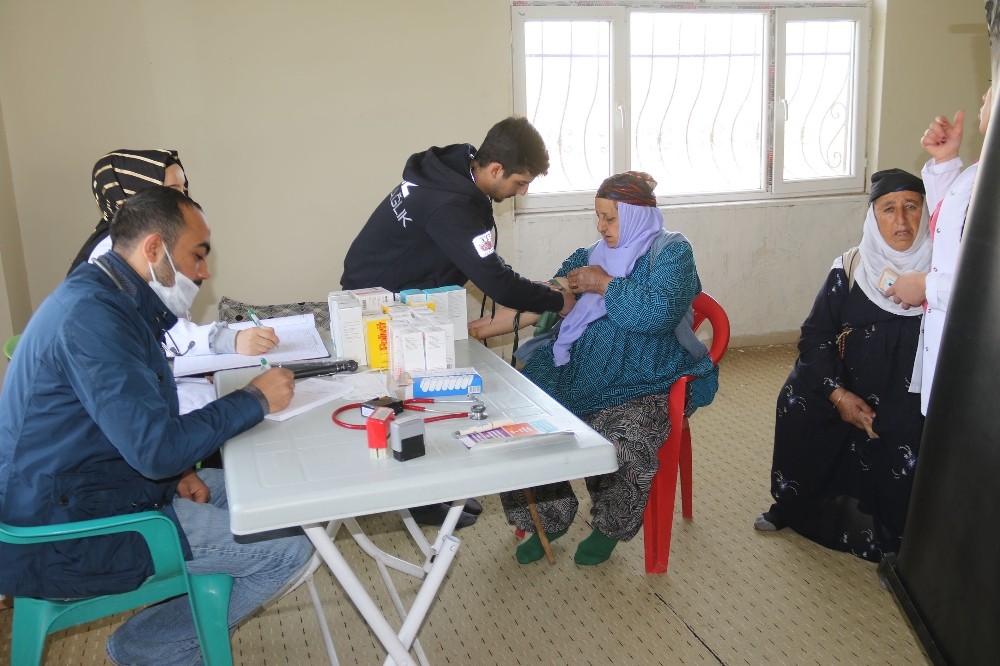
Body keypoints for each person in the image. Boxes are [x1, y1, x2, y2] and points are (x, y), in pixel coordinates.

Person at [0, 187, 313, 665]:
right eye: (198, 255)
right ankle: (145, 649)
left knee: (277, 501)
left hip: (90, 489)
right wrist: (254, 399)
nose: (205, 272)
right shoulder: (94, 318)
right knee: (285, 551)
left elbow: (133, 424)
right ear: (153, 249)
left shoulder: (109, 298)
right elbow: (154, 447)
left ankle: (153, 639)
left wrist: (179, 472)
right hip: (67, 528)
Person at [470, 171, 719, 565]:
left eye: (610, 218)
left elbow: (656, 314)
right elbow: (559, 289)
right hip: (577, 371)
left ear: (636, 215)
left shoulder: (672, 253)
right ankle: (548, 518)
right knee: (518, 421)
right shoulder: (591, 254)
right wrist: (518, 309)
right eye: (598, 217)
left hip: (646, 380)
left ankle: (609, 526)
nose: (601, 227)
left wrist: (605, 285)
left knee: (624, 439)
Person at [342, 117, 576, 528]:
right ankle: (421, 500)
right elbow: (496, 281)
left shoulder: (455, 170)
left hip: (402, 292)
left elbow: (482, 260)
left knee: (422, 395)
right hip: (380, 306)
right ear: (495, 169)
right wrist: (556, 300)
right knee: (408, 402)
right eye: (520, 183)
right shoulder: (451, 205)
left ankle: (431, 492)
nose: (522, 192)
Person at [755, 169, 931, 561]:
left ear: (927, 212)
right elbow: (814, 335)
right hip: (848, 384)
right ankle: (794, 506)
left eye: (911, 207)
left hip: (908, 395)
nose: (901, 220)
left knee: (906, 441)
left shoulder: (943, 275)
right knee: (796, 398)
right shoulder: (852, 267)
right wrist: (837, 394)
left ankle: (897, 543)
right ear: (873, 216)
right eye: (889, 209)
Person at [69, 149, 279, 415]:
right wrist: (228, 342)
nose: (181, 199)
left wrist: (201, 365)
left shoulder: (135, 245)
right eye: (171, 190)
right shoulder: (114, 255)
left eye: (183, 189)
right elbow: (159, 335)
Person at [886, 87, 993, 415]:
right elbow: (956, 232)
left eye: (991, 94)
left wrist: (925, 286)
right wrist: (945, 163)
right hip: (959, 347)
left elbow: (990, 288)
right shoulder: (984, 168)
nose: (983, 99)